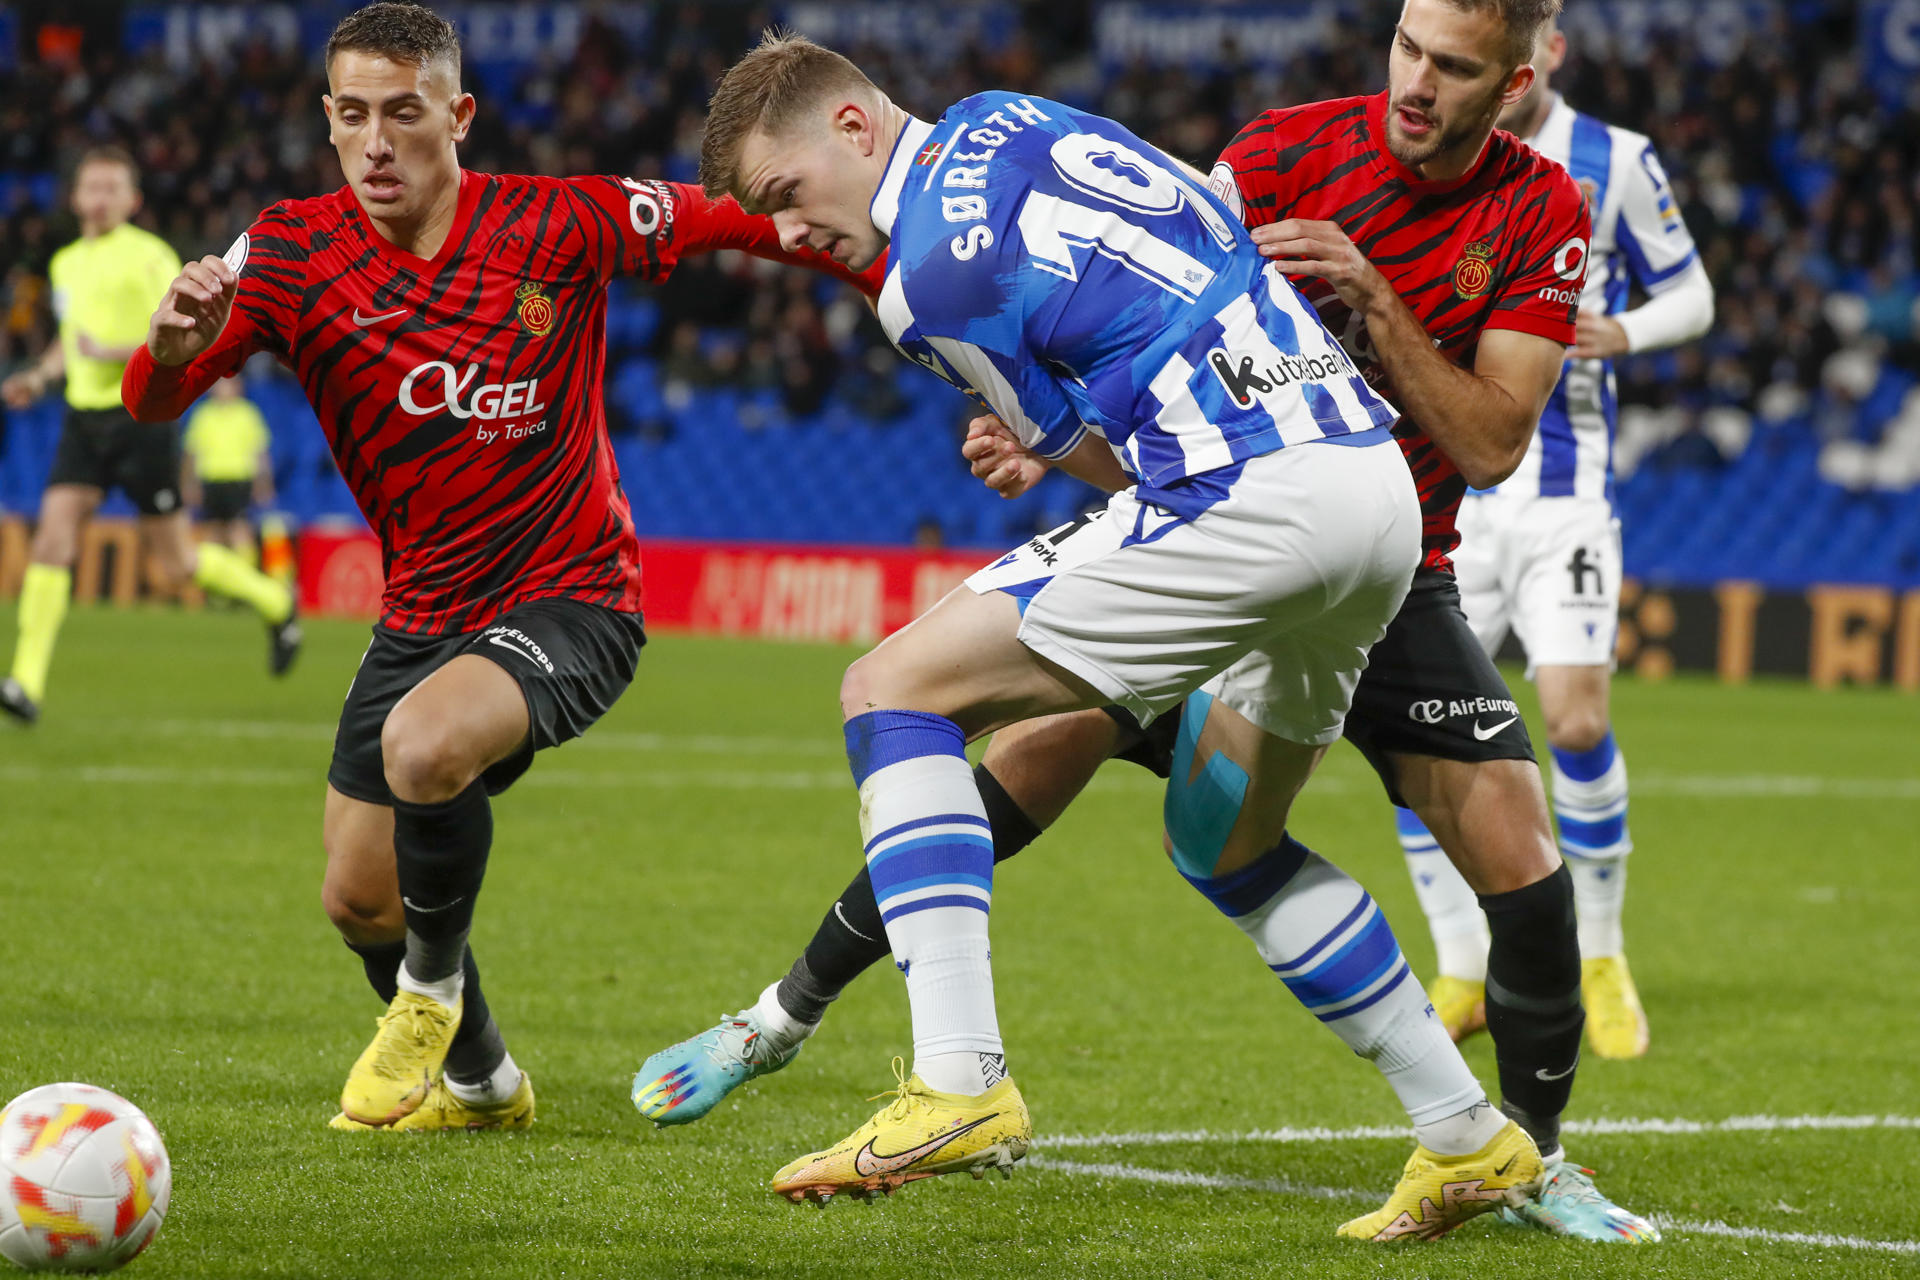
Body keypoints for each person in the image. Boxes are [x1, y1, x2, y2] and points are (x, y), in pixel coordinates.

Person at [640, 0, 1660, 1244]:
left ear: (853, 123)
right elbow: (1203, 230)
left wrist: (1074, 446)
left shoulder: (923, 284)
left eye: (787, 192)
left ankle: (956, 1078)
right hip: (1376, 489)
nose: (792, 230)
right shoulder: (1013, 117)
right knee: (1223, 840)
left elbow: (1093, 458)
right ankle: (1470, 1137)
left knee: (891, 688)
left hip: (1251, 496)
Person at [121, 2, 879, 1134]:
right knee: (356, 893)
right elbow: (153, 397)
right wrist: (169, 349)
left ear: (459, 115)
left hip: (573, 595)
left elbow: (750, 221)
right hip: (422, 614)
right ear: (328, 124)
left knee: (424, 747)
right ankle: (483, 1082)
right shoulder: (284, 253)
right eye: (353, 117)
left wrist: (894, 274)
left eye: (403, 114)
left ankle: (427, 997)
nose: (376, 143)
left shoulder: (558, 224)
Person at [1404, 16, 1714, 1063]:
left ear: (1545, 56)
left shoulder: (1615, 161)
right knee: (1420, 730)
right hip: (1445, 483)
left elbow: (1695, 290)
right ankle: (1459, 963)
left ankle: (1602, 954)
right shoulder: (1428, 150)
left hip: (1564, 487)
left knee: (1575, 721)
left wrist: (1625, 330)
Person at [0, 146, 299, 726]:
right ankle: (25, 683)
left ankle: (275, 599)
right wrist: (38, 376)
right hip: (84, 422)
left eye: (115, 187)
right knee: (52, 543)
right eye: (94, 186)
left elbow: (177, 331)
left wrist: (110, 352)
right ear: (76, 197)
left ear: (133, 200)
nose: (103, 196)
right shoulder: (65, 264)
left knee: (178, 564)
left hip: (140, 418)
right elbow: (71, 339)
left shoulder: (149, 256)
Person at [182, 374, 274, 559]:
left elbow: (259, 452)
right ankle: (214, 578)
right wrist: (189, 484)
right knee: (211, 530)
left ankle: (245, 575)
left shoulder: (247, 413)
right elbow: (192, 453)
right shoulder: (203, 414)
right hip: (211, 479)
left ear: (238, 387)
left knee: (239, 528)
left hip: (239, 479)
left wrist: (264, 484)